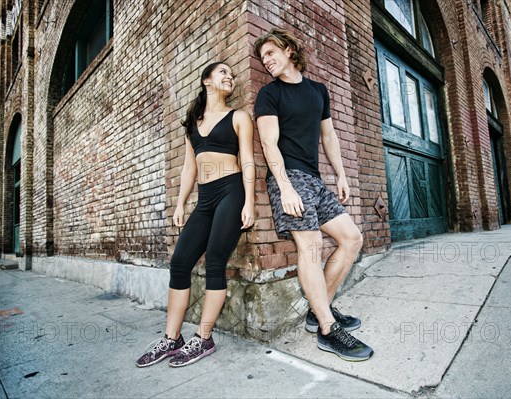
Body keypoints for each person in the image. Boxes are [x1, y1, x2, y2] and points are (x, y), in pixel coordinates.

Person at [253, 28, 373, 361]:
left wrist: (341, 175)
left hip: (316, 180)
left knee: (351, 239)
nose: (266, 61)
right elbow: (268, 143)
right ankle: (327, 328)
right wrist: (285, 186)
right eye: (262, 58)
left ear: (289, 50)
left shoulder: (318, 91)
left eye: (271, 53)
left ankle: (319, 312)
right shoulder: (269, 94)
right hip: (288, 177)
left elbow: (329, 136)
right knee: (311, 247)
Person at [136, 62, 255, 368]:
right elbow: (189, 167)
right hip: (204, 199)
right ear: (206, 80)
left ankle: (203, 338)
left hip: (231, 192)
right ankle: (172, 338)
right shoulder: (192, 123)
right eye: (222, 72)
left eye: (231, 74)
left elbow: (248, 161)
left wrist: (250, 202)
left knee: (215, 261)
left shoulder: (239, 117)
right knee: (180, 262)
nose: (229, 77)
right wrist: (180, 203)